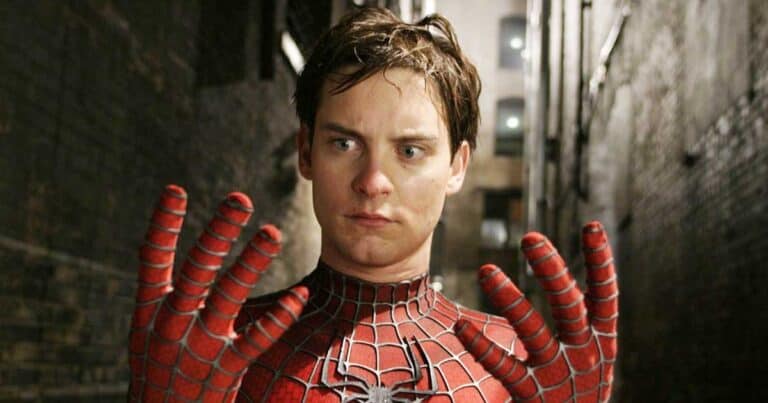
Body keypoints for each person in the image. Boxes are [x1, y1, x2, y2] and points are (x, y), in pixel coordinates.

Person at [128, 7, 618, 403]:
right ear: (306, 152)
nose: (372, 182)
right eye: (344, 144)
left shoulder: (516, 364)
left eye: (410, 151)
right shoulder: (221, 349)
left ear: (456, 166)